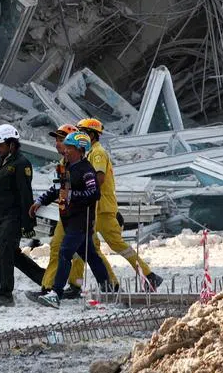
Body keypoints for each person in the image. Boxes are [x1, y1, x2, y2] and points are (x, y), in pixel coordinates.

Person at [67, 118, 163, 291]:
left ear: (91, 134)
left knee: (111, 245)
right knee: (86, 245)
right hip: (98, 208)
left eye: (81, 132)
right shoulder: (90, 153)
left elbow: (99, 178)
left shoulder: (97, 153)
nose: (79, 136)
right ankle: (89, 284)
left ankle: (146, 276)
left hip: (100, 209)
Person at [28, 125, 116, 302]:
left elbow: (94, 193)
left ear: (79, 150)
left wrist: (72, 195)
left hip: (80, 220)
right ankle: (108, 289)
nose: (65, 151)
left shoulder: (86, 170)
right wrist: (40, 201)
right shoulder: (67, 167)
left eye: (69, 148)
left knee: (65, 252)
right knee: (90, 255)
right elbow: (57, 189)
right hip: (69, 219)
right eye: (65, 147)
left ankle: (55, 293)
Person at [0, 124, 45, 308]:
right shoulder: (4, 163)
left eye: (1, 145)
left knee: (4, 253)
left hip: (14, 217)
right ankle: (47, 280)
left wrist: (28, 224)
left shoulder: (21, 164)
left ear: (11, 144)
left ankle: (6, 295)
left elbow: (25, 195)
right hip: (4, 216)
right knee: (13, 255)